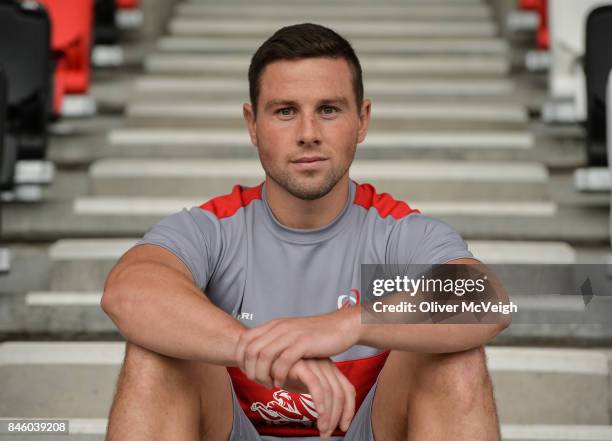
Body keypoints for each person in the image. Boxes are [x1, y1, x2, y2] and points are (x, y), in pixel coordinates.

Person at [101, 23, 510, 441]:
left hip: (370, 428)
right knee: (156, 353)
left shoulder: (395, 231)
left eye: (329, 110)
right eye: (285, 111)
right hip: (233, 429)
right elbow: (128, 292)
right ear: (252, 124)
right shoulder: (216, 228)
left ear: (362, 120)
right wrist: (268, 352)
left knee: (454, 356)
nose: (308, 134)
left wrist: (347, 324)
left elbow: (487, 299)